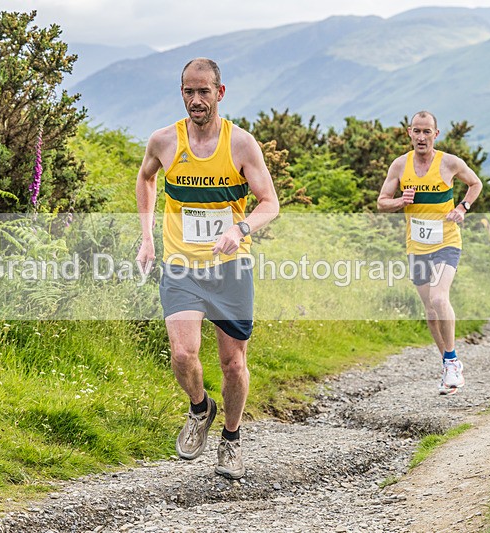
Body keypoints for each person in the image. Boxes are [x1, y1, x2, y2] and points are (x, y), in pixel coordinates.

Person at [135, 58, 279, 479]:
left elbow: (270, 202)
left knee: (233, 364)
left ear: (220, 92)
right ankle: (201, 408)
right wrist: (147, 237)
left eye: (204, 92)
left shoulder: (241, 145)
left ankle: (231, 439)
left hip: (230, 266)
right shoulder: (164, 141)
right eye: (188, 92)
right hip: (181, 265)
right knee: (182, 354)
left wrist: (241, 227)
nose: (196, 100)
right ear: (181, 93)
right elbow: (146, 180)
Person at [377, 111, 482, 395]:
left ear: (436, 134)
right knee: (430, 311)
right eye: (417, 131)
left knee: (439, 297)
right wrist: (400, 200)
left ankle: (452, 362)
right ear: (409, 133)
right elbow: (381, 202)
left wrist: (462, 208)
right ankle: (448, 363)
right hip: (417, 246)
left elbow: (475, 184)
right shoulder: (400, 165)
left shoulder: (449, 162)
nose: (421, 137)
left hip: (447, 241)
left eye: (427, 132)